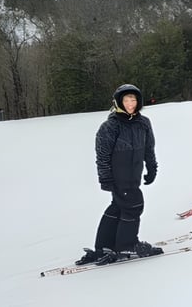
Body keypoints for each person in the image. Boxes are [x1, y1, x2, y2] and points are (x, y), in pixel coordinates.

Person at [75, 84, 162, 266]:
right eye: (126, 100)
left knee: (118, 206)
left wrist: (152, 167)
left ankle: (104, 246)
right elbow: (102, 156)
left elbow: (149, 148)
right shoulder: (110, 126)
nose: (131, 103)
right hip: (119, 176)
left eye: (134, 99)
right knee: (134, 205)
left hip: (134, 175)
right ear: (118, 102)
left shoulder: (143, 123)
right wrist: (105, 177)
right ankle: (127, 245)